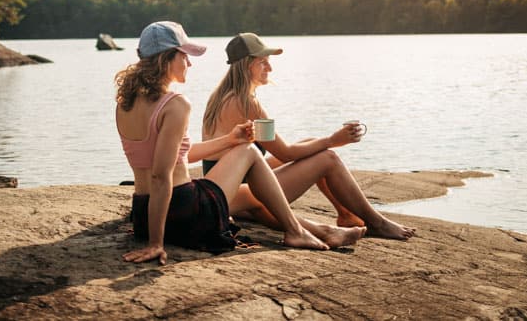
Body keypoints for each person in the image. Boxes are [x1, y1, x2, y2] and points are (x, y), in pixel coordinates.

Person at [116, 21, 365, 265]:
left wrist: (230, 139)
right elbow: (161, 176)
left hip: (143, 215)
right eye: (185, 56)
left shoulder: (124, 104)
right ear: (167, 58)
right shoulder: (175, 104)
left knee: (242, 149)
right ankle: (295, 231)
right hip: (185, 212)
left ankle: (310, 228)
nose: (189, 63)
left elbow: (177, 157)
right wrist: (156, 244)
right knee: (248, 151)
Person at [201, 32, 416, 240]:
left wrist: (324, 142)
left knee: (309, 144)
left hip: (231, 187)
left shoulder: (221, 96)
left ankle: (347, 215)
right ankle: (376, 223)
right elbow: (285, 153)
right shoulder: (247, 103)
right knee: (327, 157)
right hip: (238, 192)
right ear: (248, 65)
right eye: (263, 62)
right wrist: (333, 140)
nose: (270, 68)